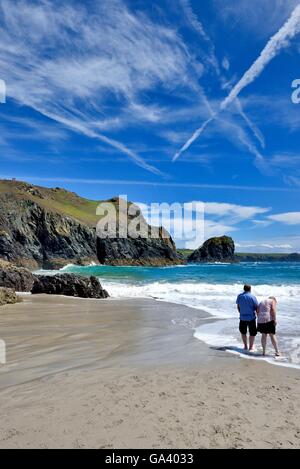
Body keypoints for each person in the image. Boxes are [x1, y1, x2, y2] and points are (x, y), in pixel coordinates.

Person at [236, 285, 258, 351]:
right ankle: (251, 347)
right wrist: (258, 316)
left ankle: (245, 346)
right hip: (251, 317)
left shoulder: (239, 296)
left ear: (244, 289)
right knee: (252, 333)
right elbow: (256, 307)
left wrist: (241, 313)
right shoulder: (252, 297)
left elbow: (238, 306)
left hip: (242, 317)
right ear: (250, 289)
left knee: (243, 332)